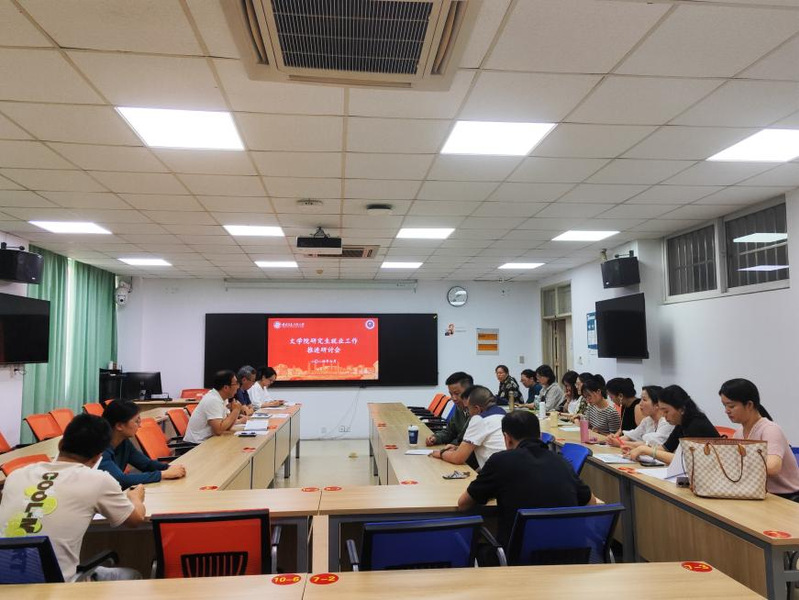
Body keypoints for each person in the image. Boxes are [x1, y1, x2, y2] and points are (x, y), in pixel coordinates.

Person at [0, 414, 146, 581]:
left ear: (60, 444)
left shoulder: (16, 475)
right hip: (54, 587)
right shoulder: (98, 480)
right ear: (97, 457)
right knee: (132, 575)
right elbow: (136, 520)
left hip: (4, 582)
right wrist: (135, 497)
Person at [458, 410, 598, 549]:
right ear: (540, 436)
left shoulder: (500, 461)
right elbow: (591, 502)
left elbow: (464, 504)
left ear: (507, 438)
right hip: (570, 553)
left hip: (519, 556)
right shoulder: (562, 461)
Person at [720, 378, 799, 500]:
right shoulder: (739, 433)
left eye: (731, 406)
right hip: (759, 493)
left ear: (749, 405)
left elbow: (773, 467)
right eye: (724, 406)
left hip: (786, 497)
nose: (726, 411)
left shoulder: (770, 430)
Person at [99, 401, 186, 488]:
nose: (140, 425)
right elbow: (121, 480)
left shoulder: (124, 442)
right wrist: (163, 474)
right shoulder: (99, 449)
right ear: (119, 426)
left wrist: (169, 468)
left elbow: (146, 464)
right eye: (136, 421)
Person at [625, 385, 719, 465]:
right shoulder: (681, 422)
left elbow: (683, 460)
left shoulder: (696, 424)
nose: (664, 416)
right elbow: (666, 448)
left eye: (666, 411)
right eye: (662, 411)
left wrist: (645, 450)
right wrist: (638, 449)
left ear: (682, 409)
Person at [429, 385, 505, 469]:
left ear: (477, 409)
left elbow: (457, 458)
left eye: (467, 408)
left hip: (497, 471)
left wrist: (441, 453)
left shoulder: (479, 419)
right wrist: (458, 448)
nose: (467, 413)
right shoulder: (502, 413)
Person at [184, 370, 245, 444]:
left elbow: (227, 427)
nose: (238, 387)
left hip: (208, 440)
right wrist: (235, 411)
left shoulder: (223, 398)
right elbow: (218, 430)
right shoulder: (213, 400)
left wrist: (236, 410)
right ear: (226, 388)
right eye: (236, 384)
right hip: (196, 444)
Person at [606, 385, 673, 449]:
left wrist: (621, 443)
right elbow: (632, 435)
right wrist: (614, 439)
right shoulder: (648, 420)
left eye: (644, 400)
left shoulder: (667, 422)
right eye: (641, 399)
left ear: (657, 405)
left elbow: (649, 445)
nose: (640, 404)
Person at [425, 371, 474, 446]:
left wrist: (454, 446)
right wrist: (436, 438)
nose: (453, 398)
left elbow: (467, 441)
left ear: (469, 392)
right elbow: (450, 432)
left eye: (457, 394)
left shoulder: (479, 412)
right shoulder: (459, 408)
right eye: (451, 394)